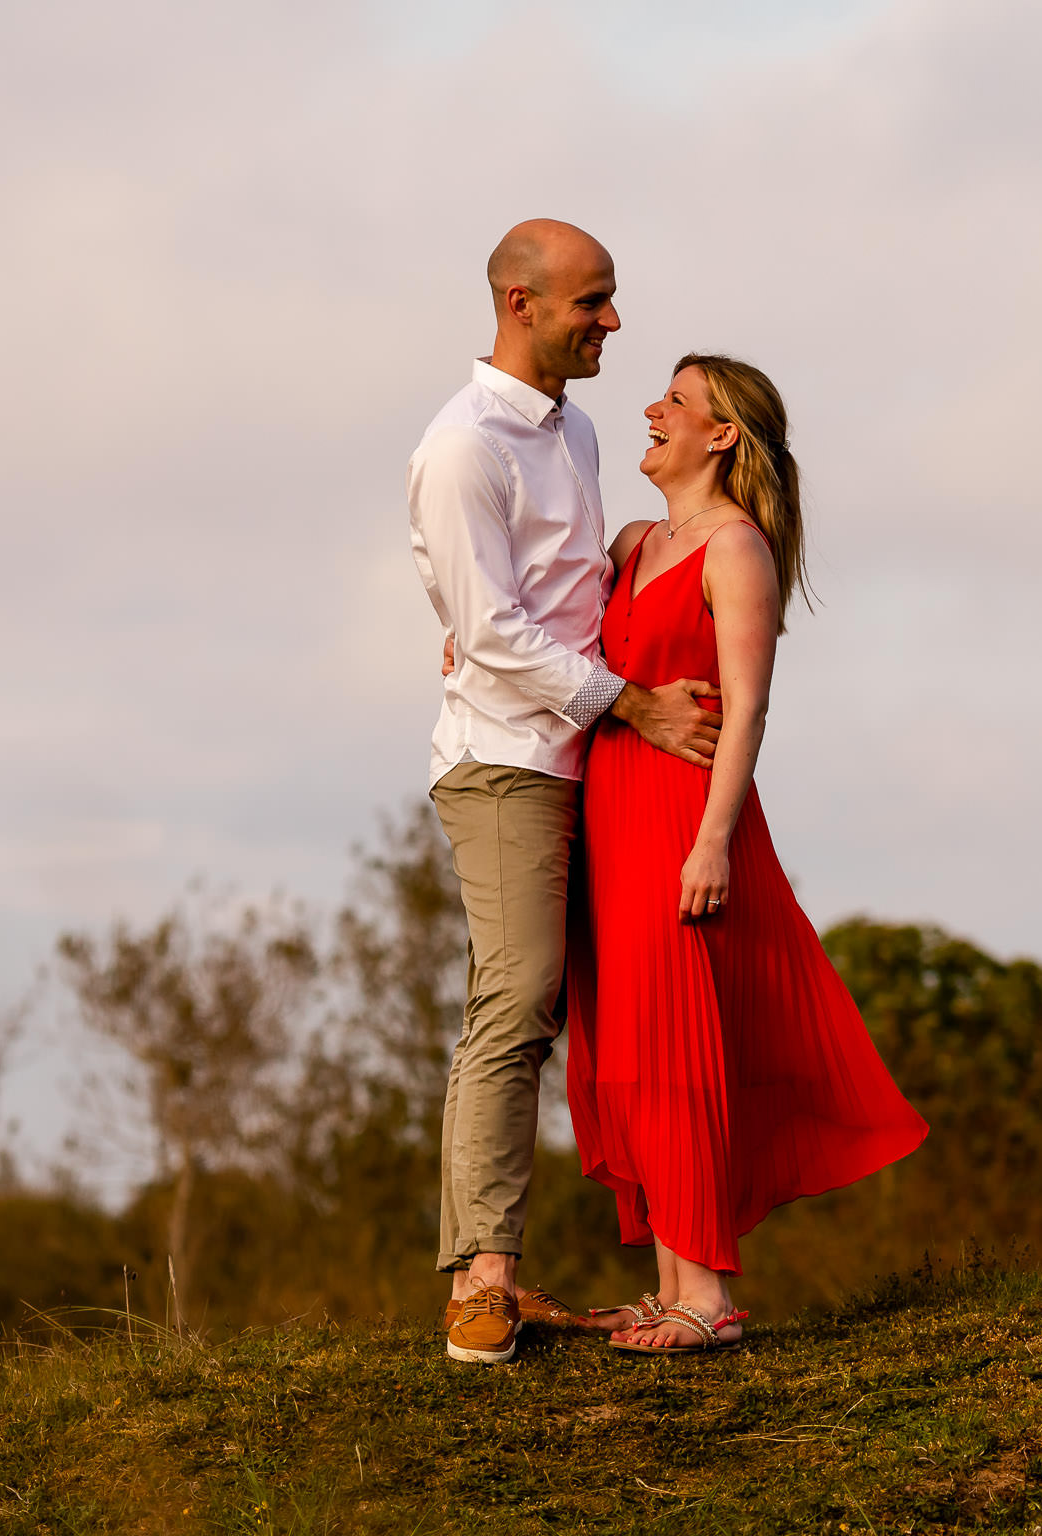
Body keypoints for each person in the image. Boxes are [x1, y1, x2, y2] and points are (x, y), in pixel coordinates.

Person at [562, 354, 928, 1353]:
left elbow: (751, 706)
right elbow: (557, 632)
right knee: (633, 1052)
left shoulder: (736, 551)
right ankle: (671, 1279)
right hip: (609, 813)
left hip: (684, 818)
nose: (651, 409)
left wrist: (714, 842)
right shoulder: (635, 541)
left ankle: (711, 1297)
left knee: (683, 1049)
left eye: (675, 402)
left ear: (720, 435)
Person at [407, 219, 723, 1366]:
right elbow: (491, 631)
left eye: (612, 298)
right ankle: (482, 1281)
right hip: (508, 764)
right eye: (594, 302)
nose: (612, 323)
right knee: (520, 998)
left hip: (592, 760)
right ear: (519, 302)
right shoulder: (461, 449)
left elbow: (557, 594)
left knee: (623, 1007)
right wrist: (631, 702)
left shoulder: (578, 433)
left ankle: (682, 1275)